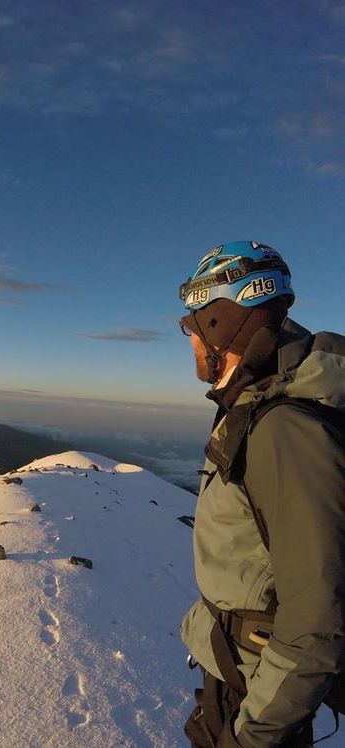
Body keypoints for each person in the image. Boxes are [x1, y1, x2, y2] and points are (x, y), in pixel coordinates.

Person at [177, 241, 345, 747]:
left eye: (191, 325)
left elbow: (316, 619)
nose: (187, 338)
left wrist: (251, 736)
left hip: (256, 696)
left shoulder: (284, 430)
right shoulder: (258, 408)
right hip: (241, 675)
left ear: (219, 326)